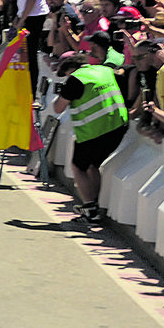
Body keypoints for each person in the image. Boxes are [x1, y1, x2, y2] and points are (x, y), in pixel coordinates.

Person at [51, 51, 129, 223]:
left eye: (65, 75)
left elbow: (58, 108)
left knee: (78, 166)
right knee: (93, 165)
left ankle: (90, 209)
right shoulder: (104, 70)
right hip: (119, 125)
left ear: (71, 69)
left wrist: (62, 93)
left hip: (95, 130)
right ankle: (94, 205)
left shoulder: (76, 79)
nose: (66, 78)